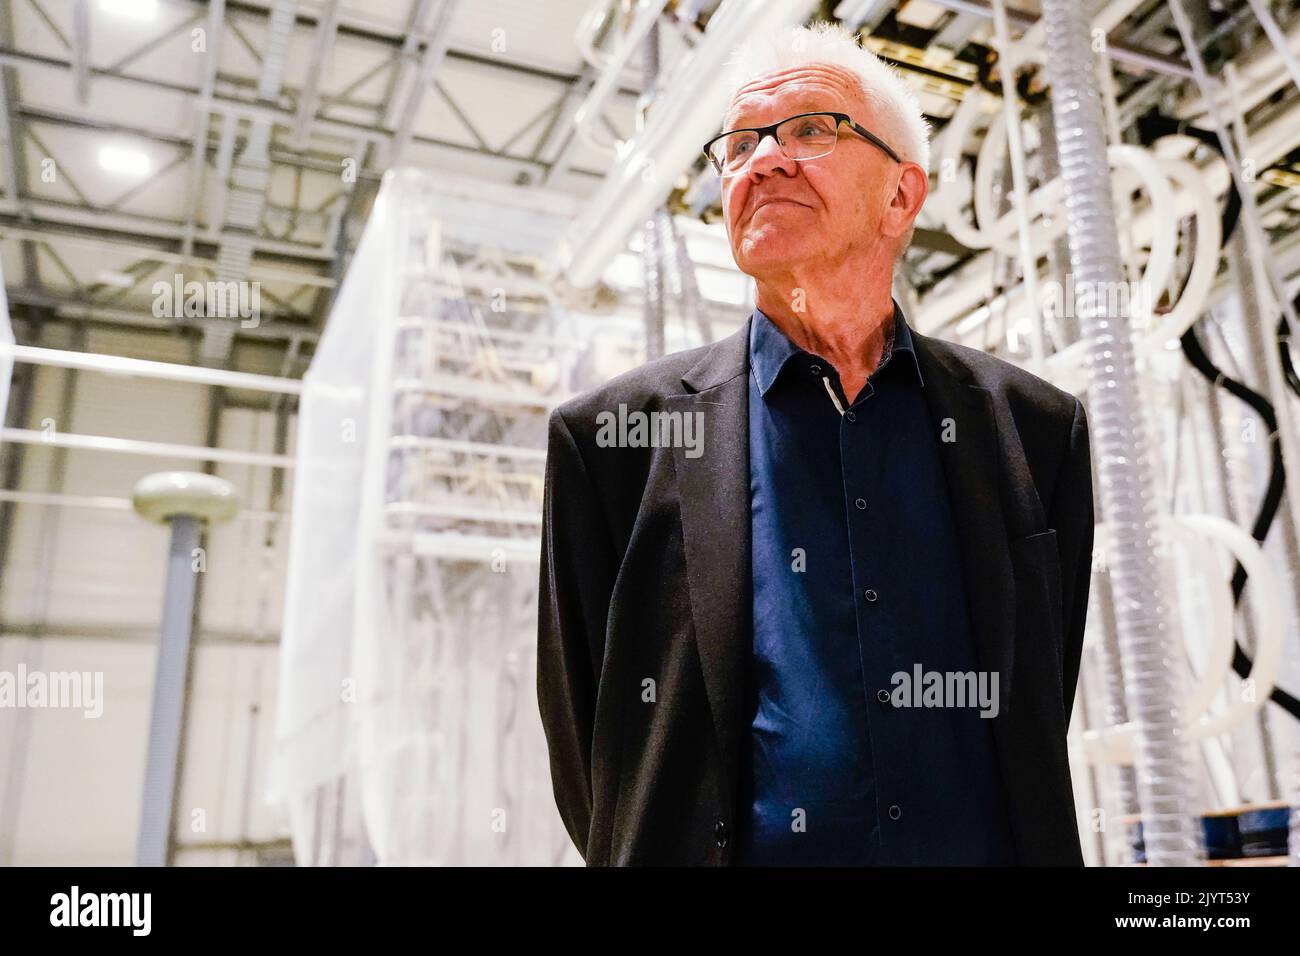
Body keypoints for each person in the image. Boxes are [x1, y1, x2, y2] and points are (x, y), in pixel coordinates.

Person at [536, 20, 1094, 866]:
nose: (764, 160)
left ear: (903, 196)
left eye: (809, 130)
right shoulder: (609, 442)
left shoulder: (1034, 430)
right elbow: (597, 758)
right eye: (740, 145)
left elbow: (1037, 697)